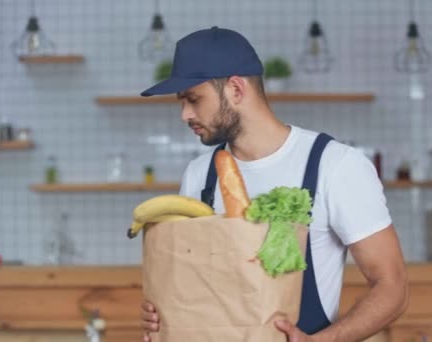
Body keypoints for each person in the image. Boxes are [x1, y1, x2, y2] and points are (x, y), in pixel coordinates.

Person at [139, 26, 408, 342]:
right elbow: (192, 284)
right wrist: (166, 315)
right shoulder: (200, 174)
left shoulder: (335, 165)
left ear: (236, 89)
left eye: (193, 99)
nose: (185, 114)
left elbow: (393, 288)